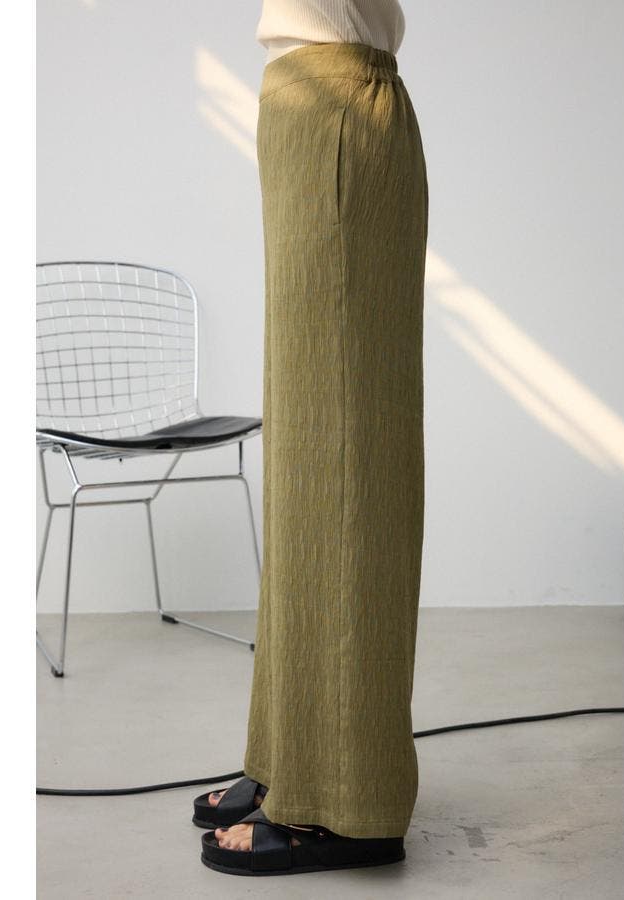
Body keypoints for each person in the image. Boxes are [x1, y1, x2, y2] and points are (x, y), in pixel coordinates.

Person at [194, 0, 429, 876]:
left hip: (336, 99)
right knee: (308, 450)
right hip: (303, 102)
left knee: (345, 460)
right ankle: (290, 753)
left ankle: (348, 800)